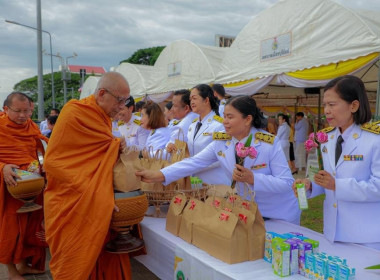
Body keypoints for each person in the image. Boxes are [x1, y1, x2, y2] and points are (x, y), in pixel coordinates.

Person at [137, 95, 301, 224]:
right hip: (248, 212)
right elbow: (193, 162)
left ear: (247, 119)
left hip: (278, 214)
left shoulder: (268, 144)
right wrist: (159, 175)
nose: (225, 122)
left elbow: (286, 183)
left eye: (230, 117)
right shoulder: (221, 142)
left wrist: (253, 178)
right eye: (224, 117)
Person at [43, 72, 132, 280]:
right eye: (119, 100)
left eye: (125, 101)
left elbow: (98, 159)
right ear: (101, 93)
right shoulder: (74, 113)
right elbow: (53, 163)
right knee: (73, 265)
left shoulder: (102, 118)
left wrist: (115, 146)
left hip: (94, 200)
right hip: (69, 201)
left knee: (104, 260)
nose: (122, 106)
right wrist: (98, 196)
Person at [293, 75, 380, 250]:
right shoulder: (327, 138)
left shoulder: (374, 140)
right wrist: (311, 186)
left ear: (353, 105)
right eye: (325, 105)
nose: (326, 110)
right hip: (333, 232)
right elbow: (327, 179)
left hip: (366, 236)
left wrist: (336, 185)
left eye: (332, 105)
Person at [0, 92, 48, 280]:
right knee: (10, 230)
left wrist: (42, 166)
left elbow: (38, 152)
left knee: (31, 226)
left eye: (26, 111)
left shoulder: (32, 126)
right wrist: (2, 168)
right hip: (9, 187)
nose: (22, 115)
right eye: (18, 111)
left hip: (33, 184)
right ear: (6, 109)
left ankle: (24, 265)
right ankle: (11, 272)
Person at [187, 84, 229, 185]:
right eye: (190, 99)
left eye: (194, 98)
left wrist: (193, 165)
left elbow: (222, 157)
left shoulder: (219, 125)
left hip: (215, 182)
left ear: (206, 100)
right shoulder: (192, 125)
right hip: (196, 182)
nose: (191, 102)